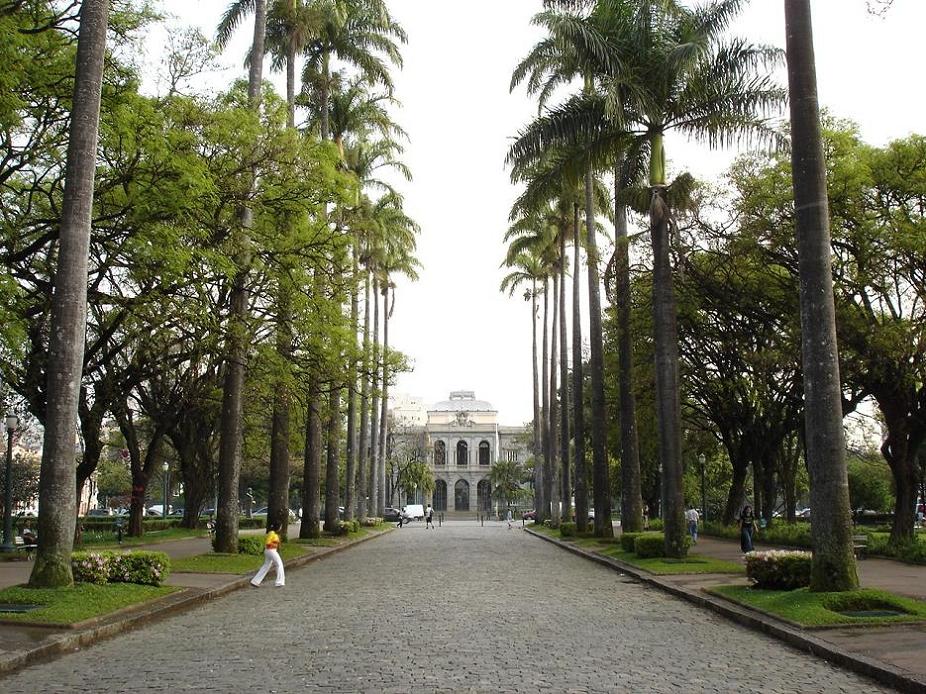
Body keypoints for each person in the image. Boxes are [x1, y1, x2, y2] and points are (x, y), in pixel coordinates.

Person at [251, 522, 285, 588]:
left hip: (269, 551)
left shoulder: (272, 533)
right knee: (279, 564)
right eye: (280, 526)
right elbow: (268, 542)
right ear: (278, 527)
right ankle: (279, 582)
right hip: (271, 550)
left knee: (266, 565)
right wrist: (274, 544)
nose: (281, 528)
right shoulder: (272, 533)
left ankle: (255, 581)